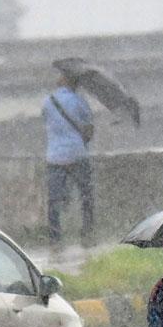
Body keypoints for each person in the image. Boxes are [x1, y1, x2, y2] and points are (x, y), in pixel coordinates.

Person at [42, 70, 95, 246]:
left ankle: (55, 237)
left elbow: (47, 122)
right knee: (86, 196)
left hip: (55, 157)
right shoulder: (80, 101)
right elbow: (89, 129)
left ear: (64, 80)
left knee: (54, 200)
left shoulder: (48, 101)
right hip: (77, 154)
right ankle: (87, 233)